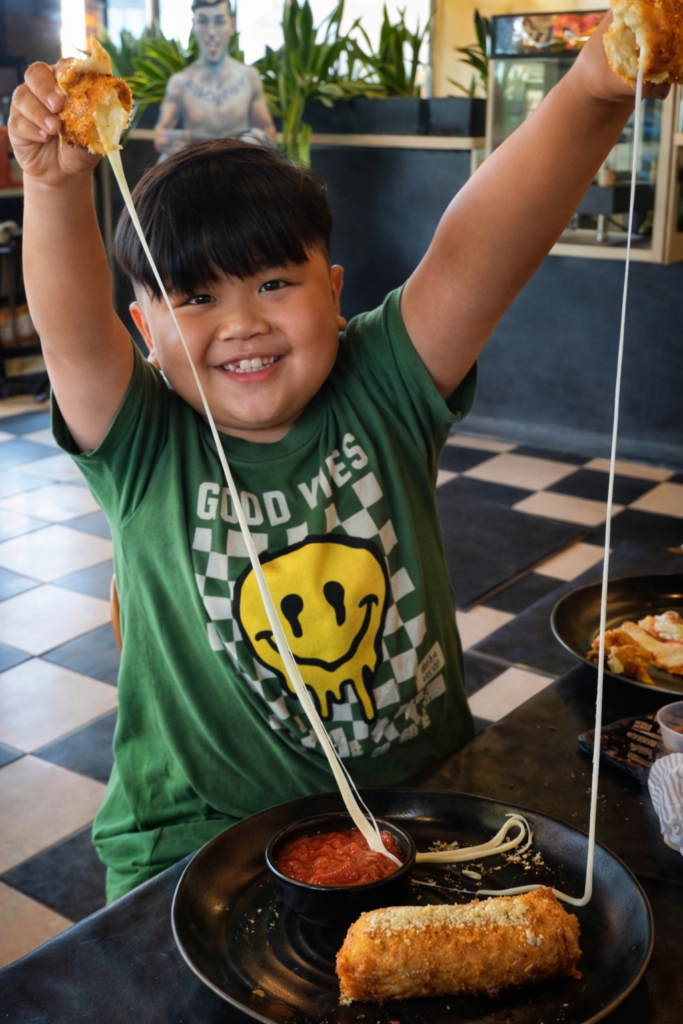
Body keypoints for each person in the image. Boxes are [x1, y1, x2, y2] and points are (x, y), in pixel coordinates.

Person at [8, 15, 669, 901]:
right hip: (197, 844)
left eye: (274, 282)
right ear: (145, 335)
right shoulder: (142, 440)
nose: (241, 323)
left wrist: (592, 87)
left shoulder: (382, 386)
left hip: (425, 810)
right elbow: (69, 326)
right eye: (194, 297)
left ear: (334, 289)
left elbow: (483, 240)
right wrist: (54, 189)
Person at [154, 0, 276, 157]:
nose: (211, 32)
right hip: (196, 172)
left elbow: (268, 131)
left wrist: (253, 140)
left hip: (240, 172)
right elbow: (160, 136)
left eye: (219, 21)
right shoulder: (180, 82)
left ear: (232, 25)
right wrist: (187, 140)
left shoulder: (249, 77)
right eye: (203, 21)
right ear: (194, 25)